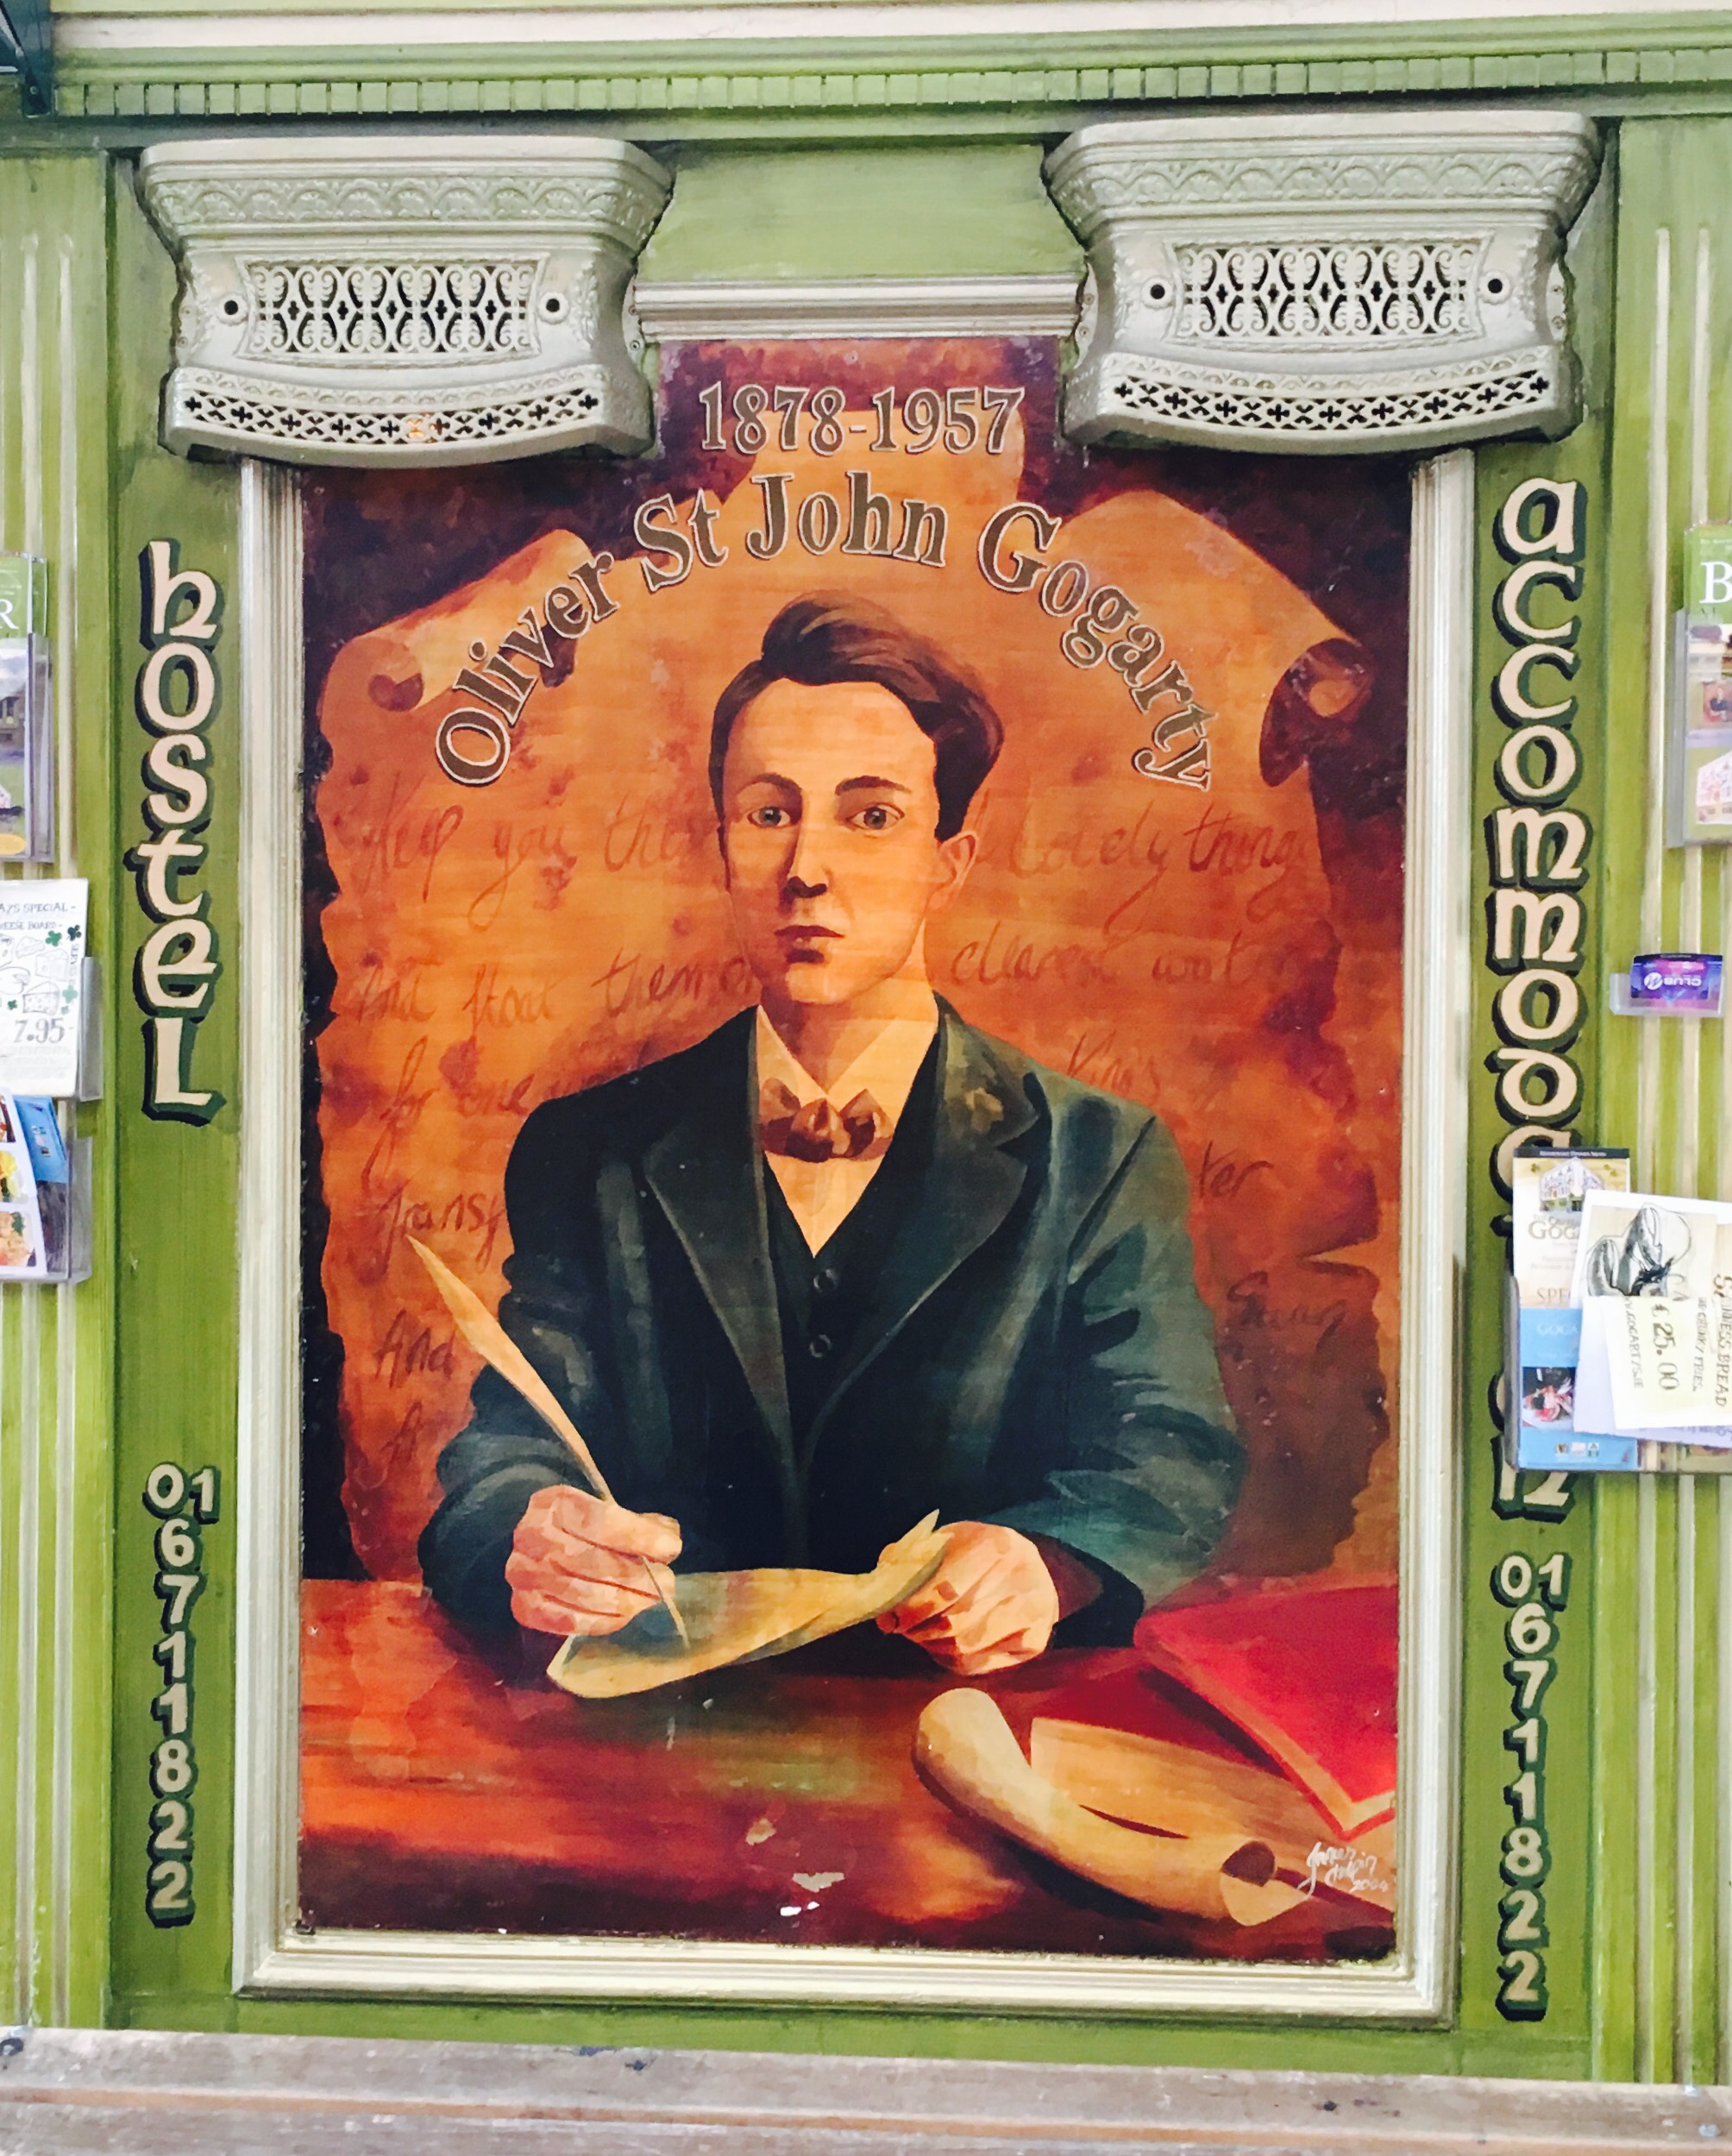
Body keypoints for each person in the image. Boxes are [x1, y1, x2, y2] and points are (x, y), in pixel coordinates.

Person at [419, 593, 1241, 1675]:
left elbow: (1167, 1454)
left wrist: (1048, 1563)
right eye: (768, 814)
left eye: (870, 817)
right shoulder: (590, 1150)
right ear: (723, 847)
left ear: (949, 860)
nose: (807, 867)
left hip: (967, 1716)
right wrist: (533, 1530)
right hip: (658, 1733)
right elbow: (508, 1448)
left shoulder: (1097, 1154)